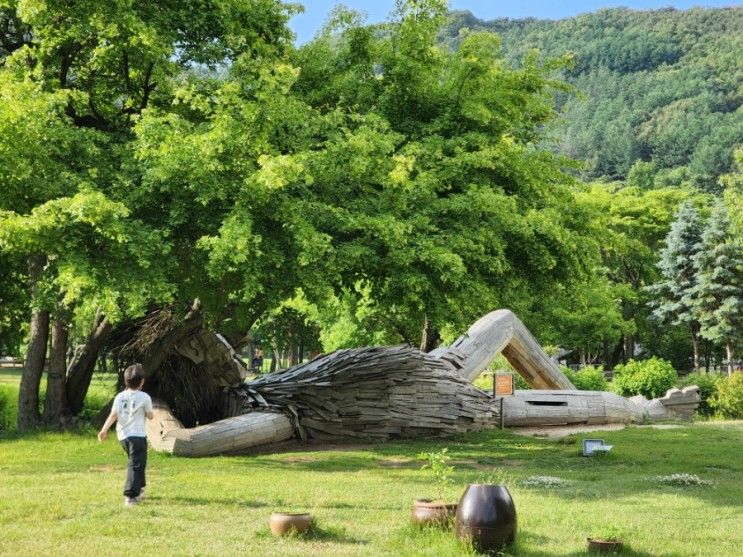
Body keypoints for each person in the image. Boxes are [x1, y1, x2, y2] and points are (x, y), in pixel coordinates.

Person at [98, 363, 154, 507]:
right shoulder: (144, 397)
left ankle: (140, 488)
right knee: (136, 464)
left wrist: (104, 430)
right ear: (142, 382)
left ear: (125, 381)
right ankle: (130, 495)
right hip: (138, 436)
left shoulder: (120, 396)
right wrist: (147, 412)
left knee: (137, 462)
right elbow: (150, 415)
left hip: (123, 436)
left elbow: (113, 415)